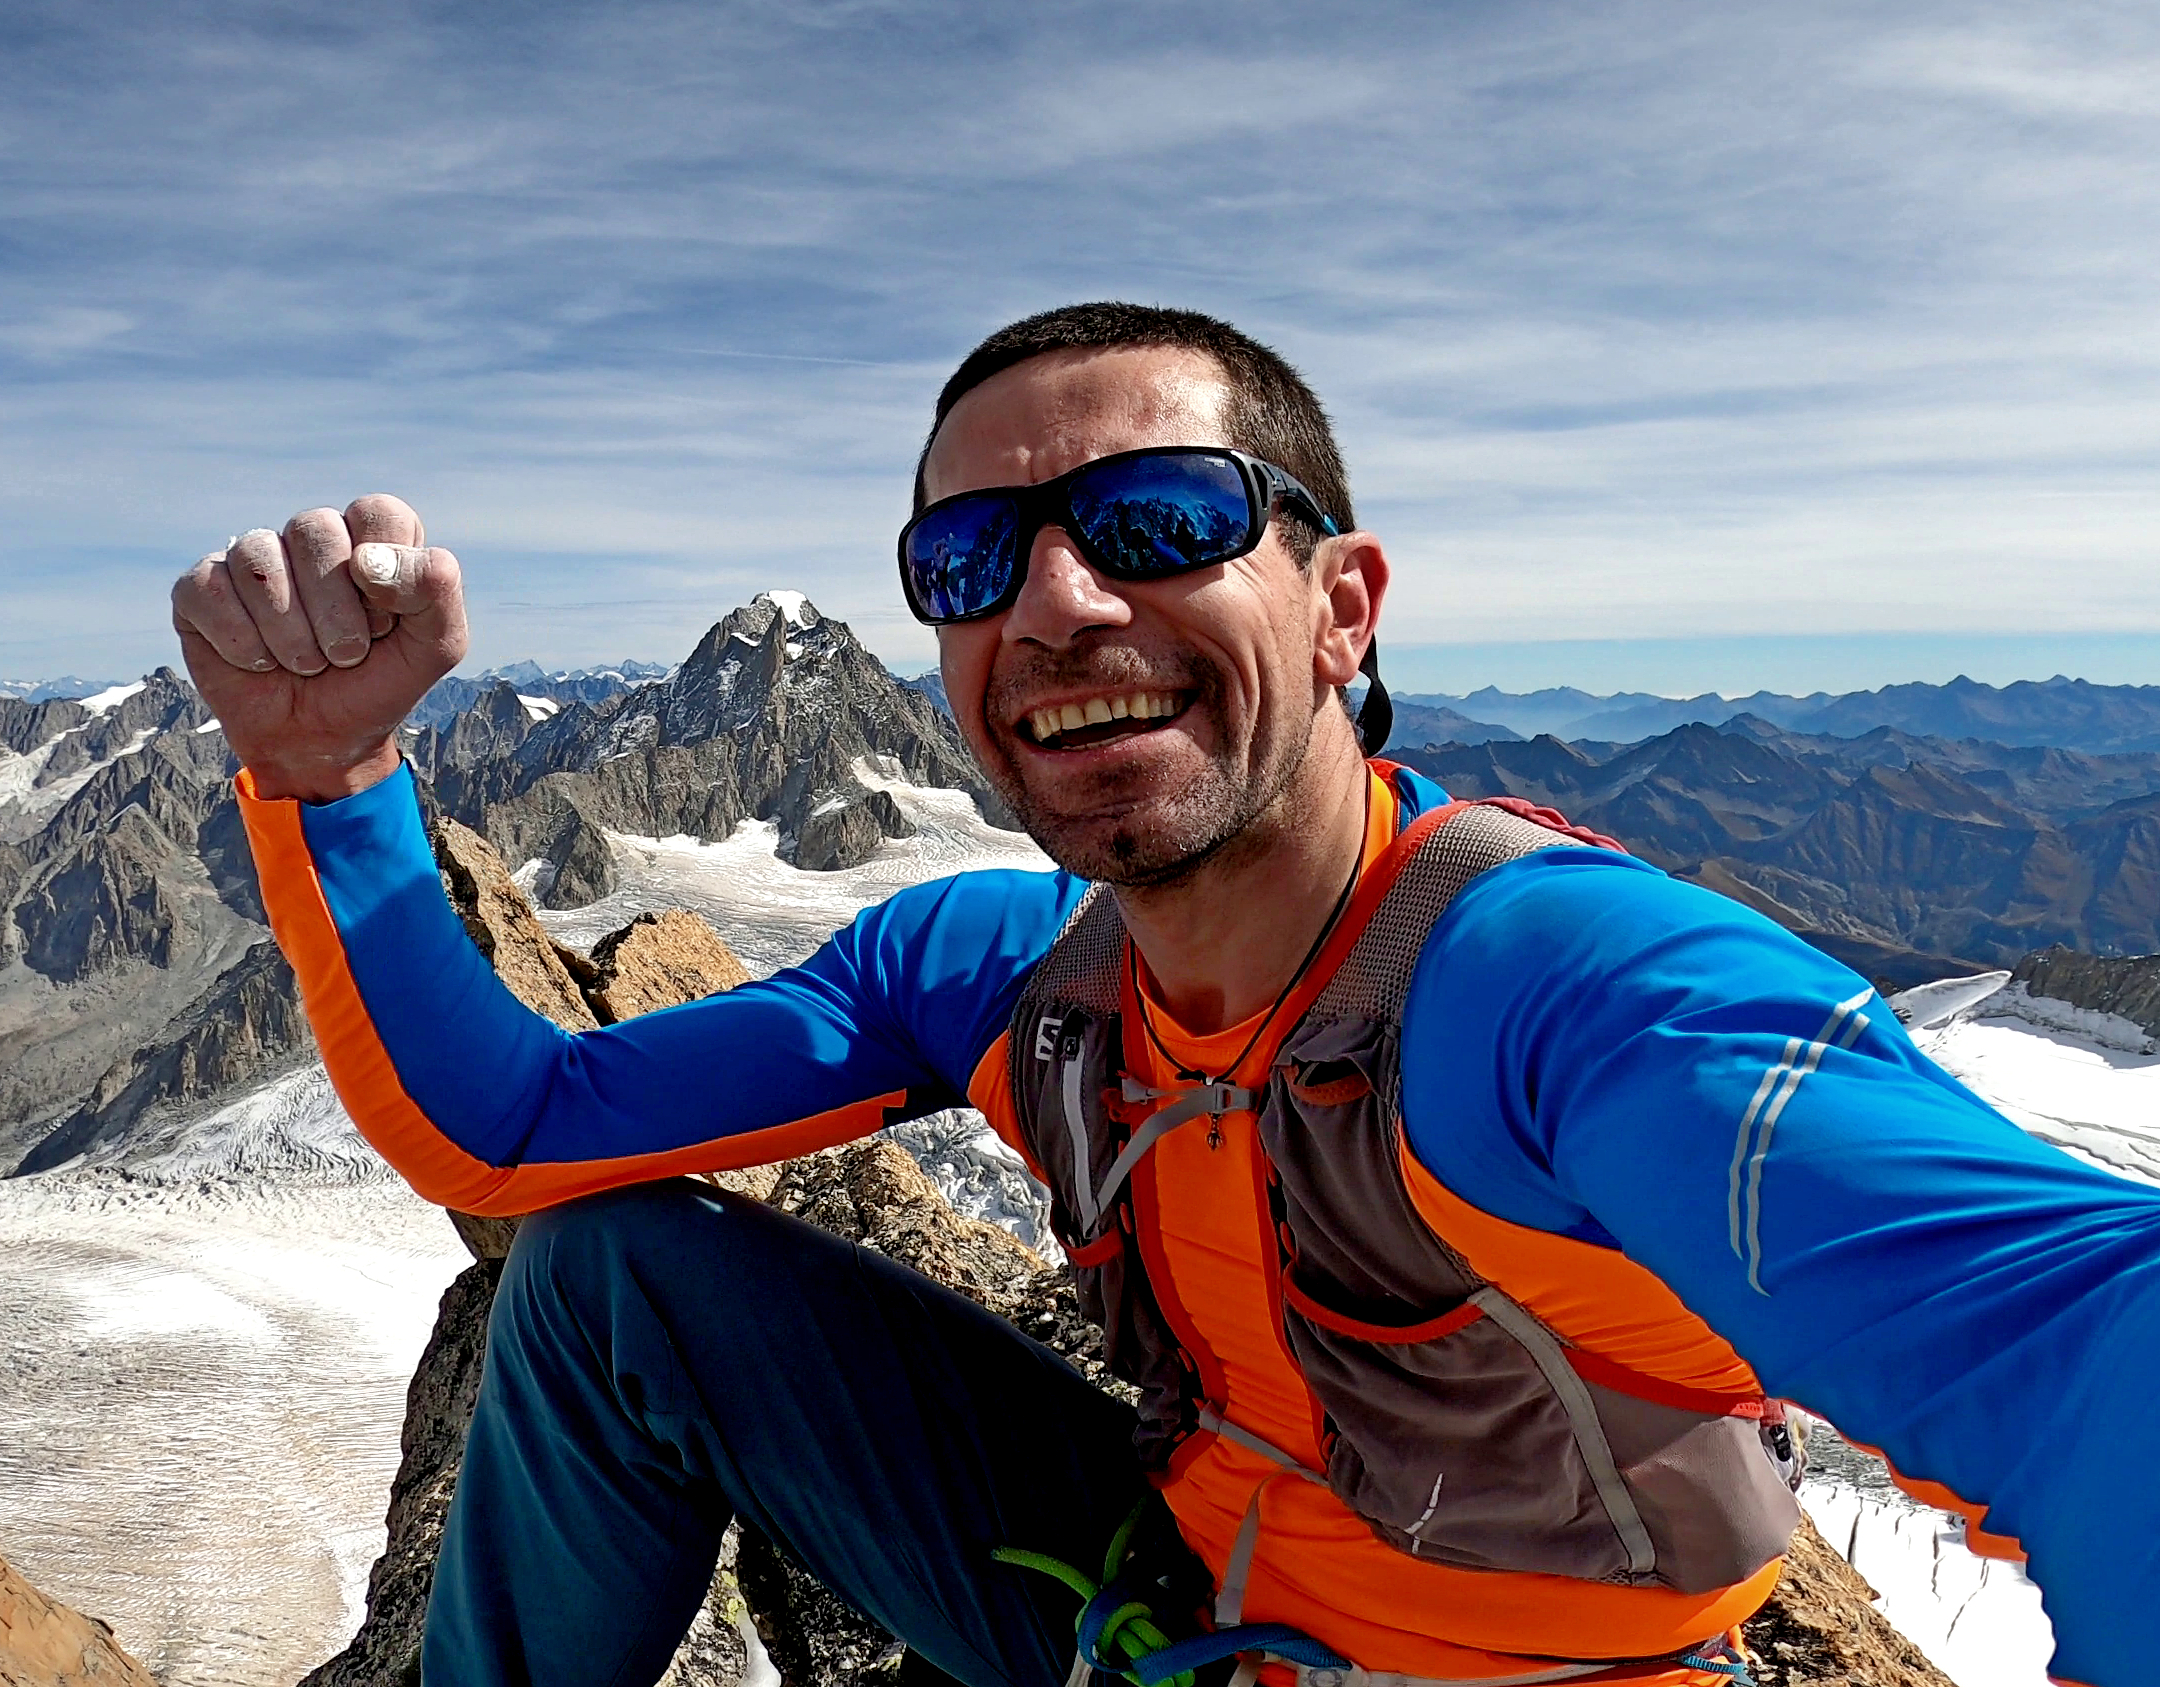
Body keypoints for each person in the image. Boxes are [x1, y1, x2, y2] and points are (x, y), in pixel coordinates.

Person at [172, 304, 2158, 1687]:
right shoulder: (1011, 980)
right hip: (1153, 1612)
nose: (1058, 604)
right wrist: (329, 781)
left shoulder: (1560, 995)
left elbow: (2101, 1346)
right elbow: (509, 1132)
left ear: (1343, 603)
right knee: (616, 1281)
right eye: (972, 559)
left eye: (1163, 526)